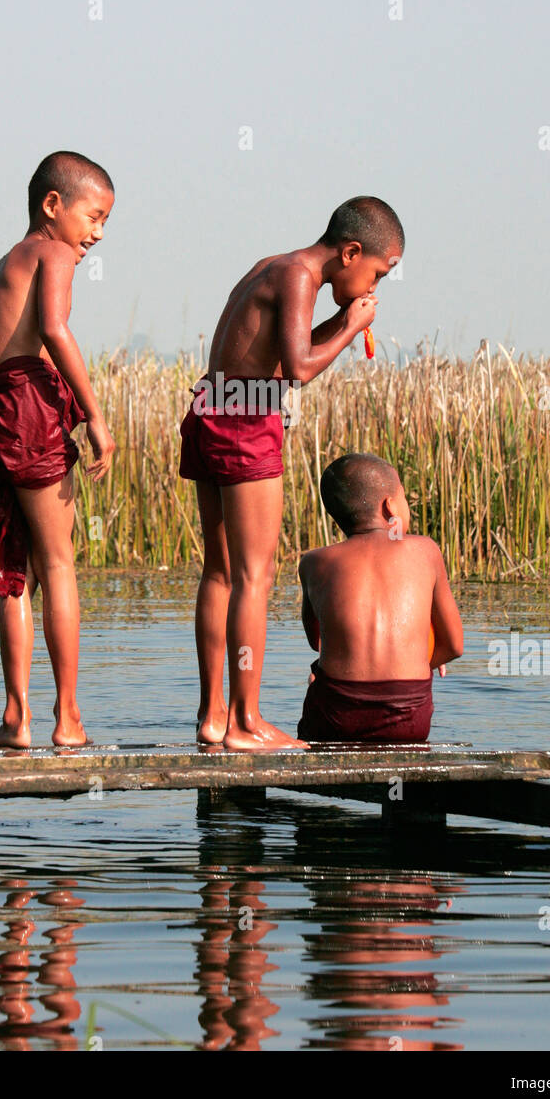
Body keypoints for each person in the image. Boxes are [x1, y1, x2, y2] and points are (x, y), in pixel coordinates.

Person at [179, 196, 405, 749]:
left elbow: (285, 348)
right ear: (351, 252)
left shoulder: (278, 267)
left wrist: (343, 319)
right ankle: (246, 722)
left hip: (214, 405)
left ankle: (214, 718)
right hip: (247, 419)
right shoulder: (301, 277)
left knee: (221, 572)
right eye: (379, 271)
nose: (379, 283)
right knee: (255, 576)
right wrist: (352, 330)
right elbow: (298, 369)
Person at [0, 151, 116, 748]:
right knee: (58, 562)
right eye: (93, 217)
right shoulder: (54, 252)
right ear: (52, 206)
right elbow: (55, 327)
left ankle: (17, 719)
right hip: (25, 405)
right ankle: (68, 719)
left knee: (16, 571)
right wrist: (93, 414)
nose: (96, 233)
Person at [297, 453, 464, 743]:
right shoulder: (426, 551)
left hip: (335, 720)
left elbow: (318, 643)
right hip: (407, 724)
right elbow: (455, 646)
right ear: (390, 507)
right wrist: (419, 655)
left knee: (318, 675)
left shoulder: (313, 563)